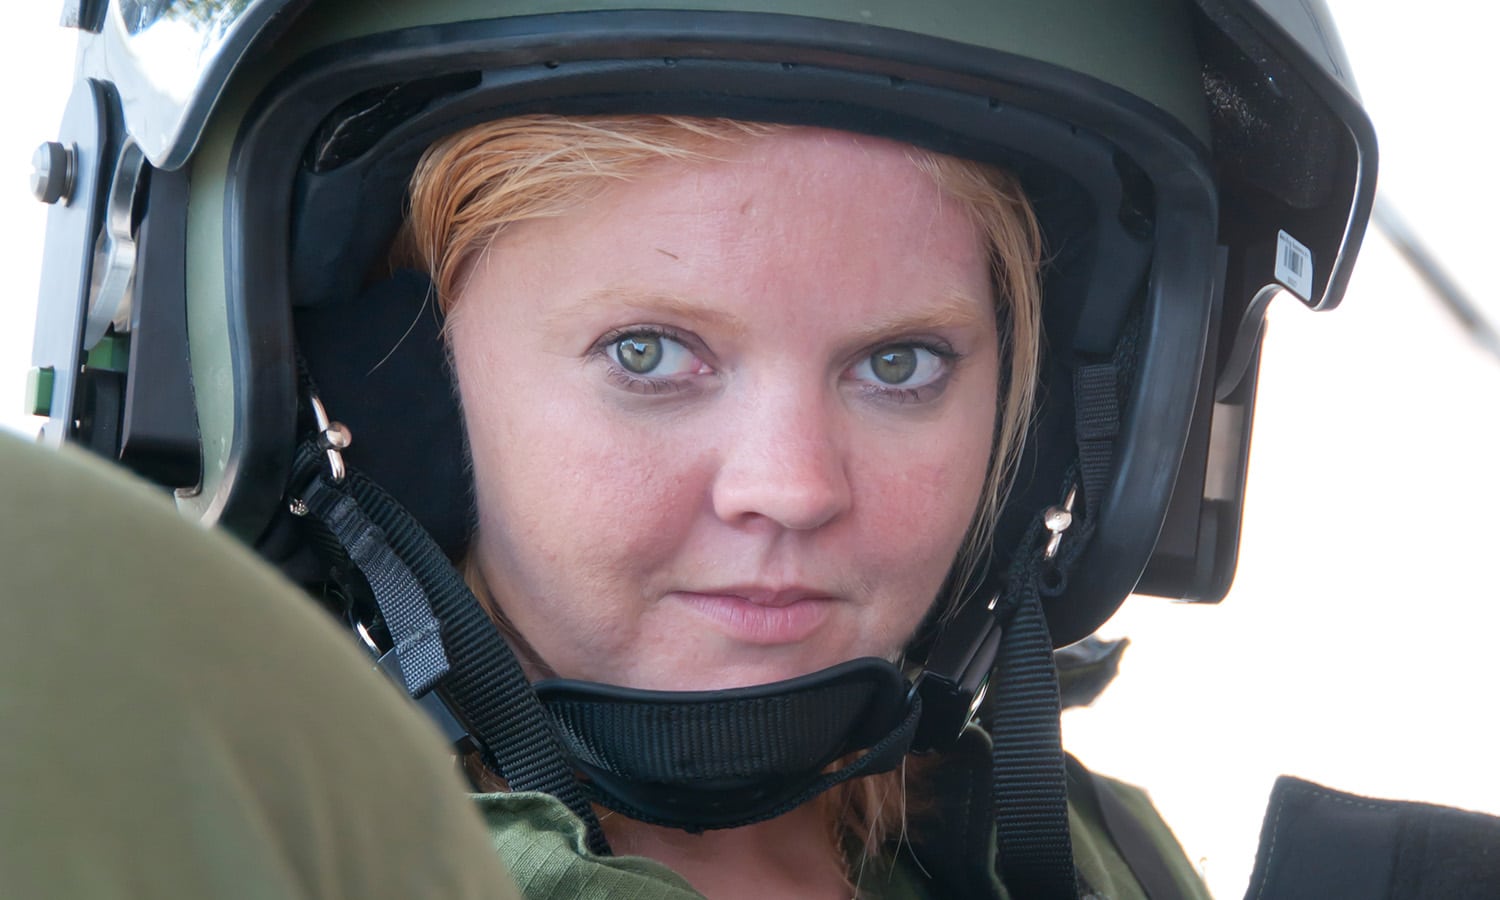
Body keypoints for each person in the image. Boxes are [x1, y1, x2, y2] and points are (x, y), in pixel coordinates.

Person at [16, 0, 1404, 897]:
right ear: (390, 389)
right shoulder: (222, 845)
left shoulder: (1087, 865)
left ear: (1038, 432)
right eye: (648, 355)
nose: (792, 488)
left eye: (900, 364)